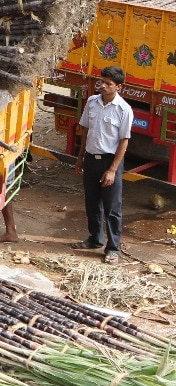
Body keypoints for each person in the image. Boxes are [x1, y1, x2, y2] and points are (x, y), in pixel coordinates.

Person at [72, 65, 132, 264]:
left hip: (109, 162)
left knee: (112, 208)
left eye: (108, 84)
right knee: (92, 203)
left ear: (119, 87)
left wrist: (112, 170)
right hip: (91, 158)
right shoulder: (92, 102)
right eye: (102, 81)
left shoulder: (124, 110)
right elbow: (86, 131)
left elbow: (124, 141)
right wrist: (80, 157)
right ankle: (94, 239)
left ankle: (113, 248)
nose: (103, 86)